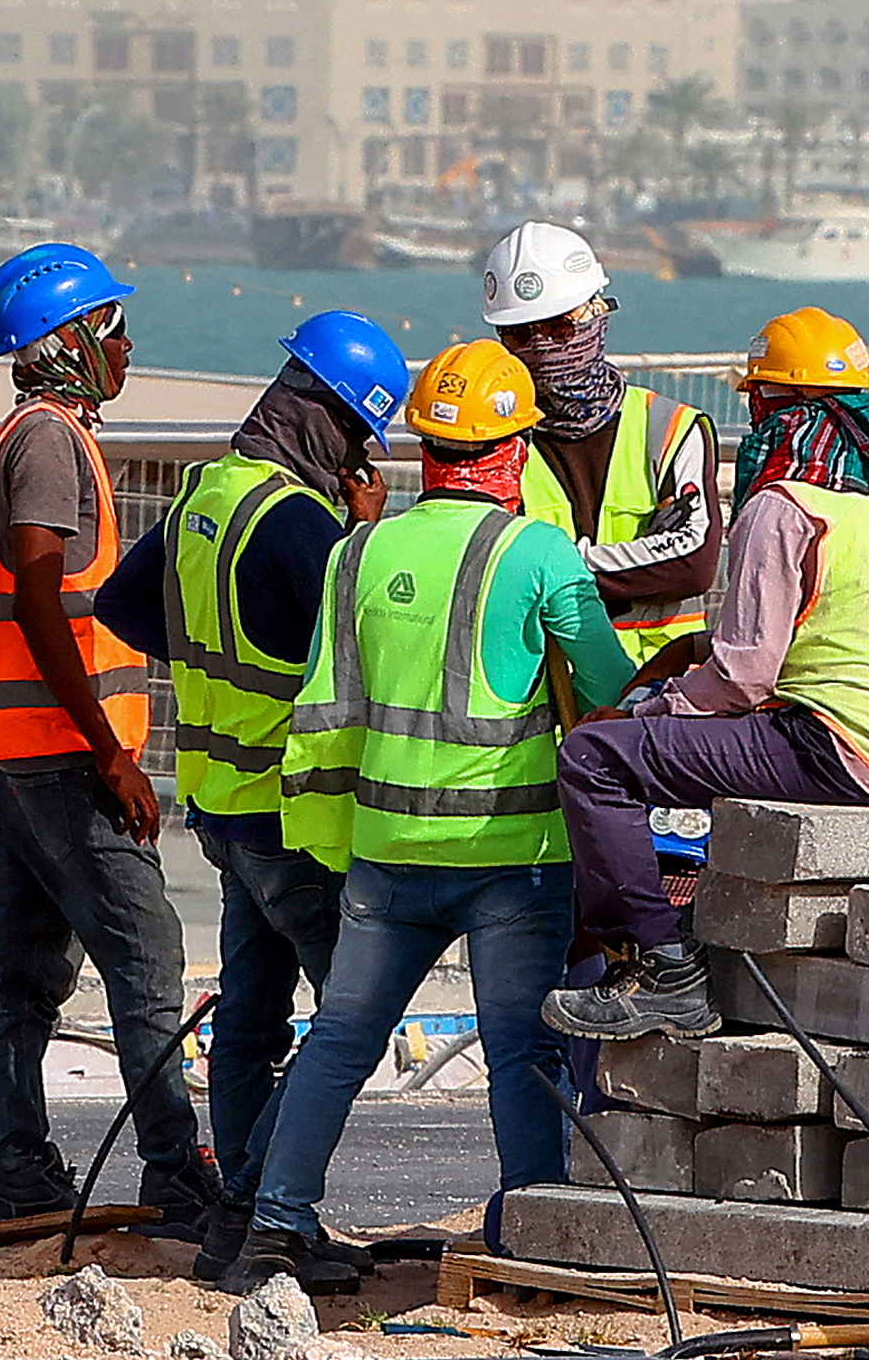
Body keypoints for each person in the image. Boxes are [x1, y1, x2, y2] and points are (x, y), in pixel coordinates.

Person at [231, 342, 637, 1296]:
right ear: (509, 453)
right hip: (512, 853)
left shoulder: (359, 550)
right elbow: (613, 689)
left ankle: (275, 1226)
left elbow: (324, 710)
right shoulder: (534, 550)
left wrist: (335, 849)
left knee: (338, 1039)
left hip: (383, 851)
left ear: (425, 450)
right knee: (519, 1050)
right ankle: (534, 1228)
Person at [99, 309, 409, 1285]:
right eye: (363, 436)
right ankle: (260, 1213)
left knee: (249, 1020)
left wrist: (208, 658)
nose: (365, 459)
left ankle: (243, 1221)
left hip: (221, 810)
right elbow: (372, 645)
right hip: (295, 813)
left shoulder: (207, 493)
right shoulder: (300, 523)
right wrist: (362, 536)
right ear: (331, 421)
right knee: (353, 1020)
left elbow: (118, 603)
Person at [541, 308, 869, 1044]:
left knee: (593, 761)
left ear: (770, 403)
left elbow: (740, 680)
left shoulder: (782, 501)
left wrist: (643, 711)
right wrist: (694, 651)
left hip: (830, 748)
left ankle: (664, 965)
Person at [0, 242, 220, 1230]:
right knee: (146, 949)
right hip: (59, 753)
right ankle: (176, 1164)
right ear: (72, 341)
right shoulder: (50, 442)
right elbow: (39, 590)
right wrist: (106, 748)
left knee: (22, 965)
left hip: (5, 751)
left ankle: (18, 1164)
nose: (127, 346)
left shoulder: (26, 434)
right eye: (112, 328)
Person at [479, 223, 723, 662]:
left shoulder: (669, 429)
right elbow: (488, 570)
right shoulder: (495, 440)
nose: (541, 347)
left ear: (598, 315)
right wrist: (641, 559)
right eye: (519, 334)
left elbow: (693, 565)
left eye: (558, 327)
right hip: (539, 696)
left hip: (656, 695)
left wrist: (554, 569)